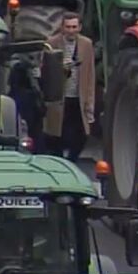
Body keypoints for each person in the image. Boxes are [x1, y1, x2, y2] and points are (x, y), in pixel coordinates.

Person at [44, 13, 95, 162]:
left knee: (81, 134)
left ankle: (72, 160)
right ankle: (60, 160)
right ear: (62, 28)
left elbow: (90, 73)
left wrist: (90, 102)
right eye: (68, 27)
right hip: (60, 97)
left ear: (79, 27)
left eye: (74, 27)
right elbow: (45, 70)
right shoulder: (52, 43)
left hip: (78, 97)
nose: (71, 30)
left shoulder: (86, 44)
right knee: (57, 133)